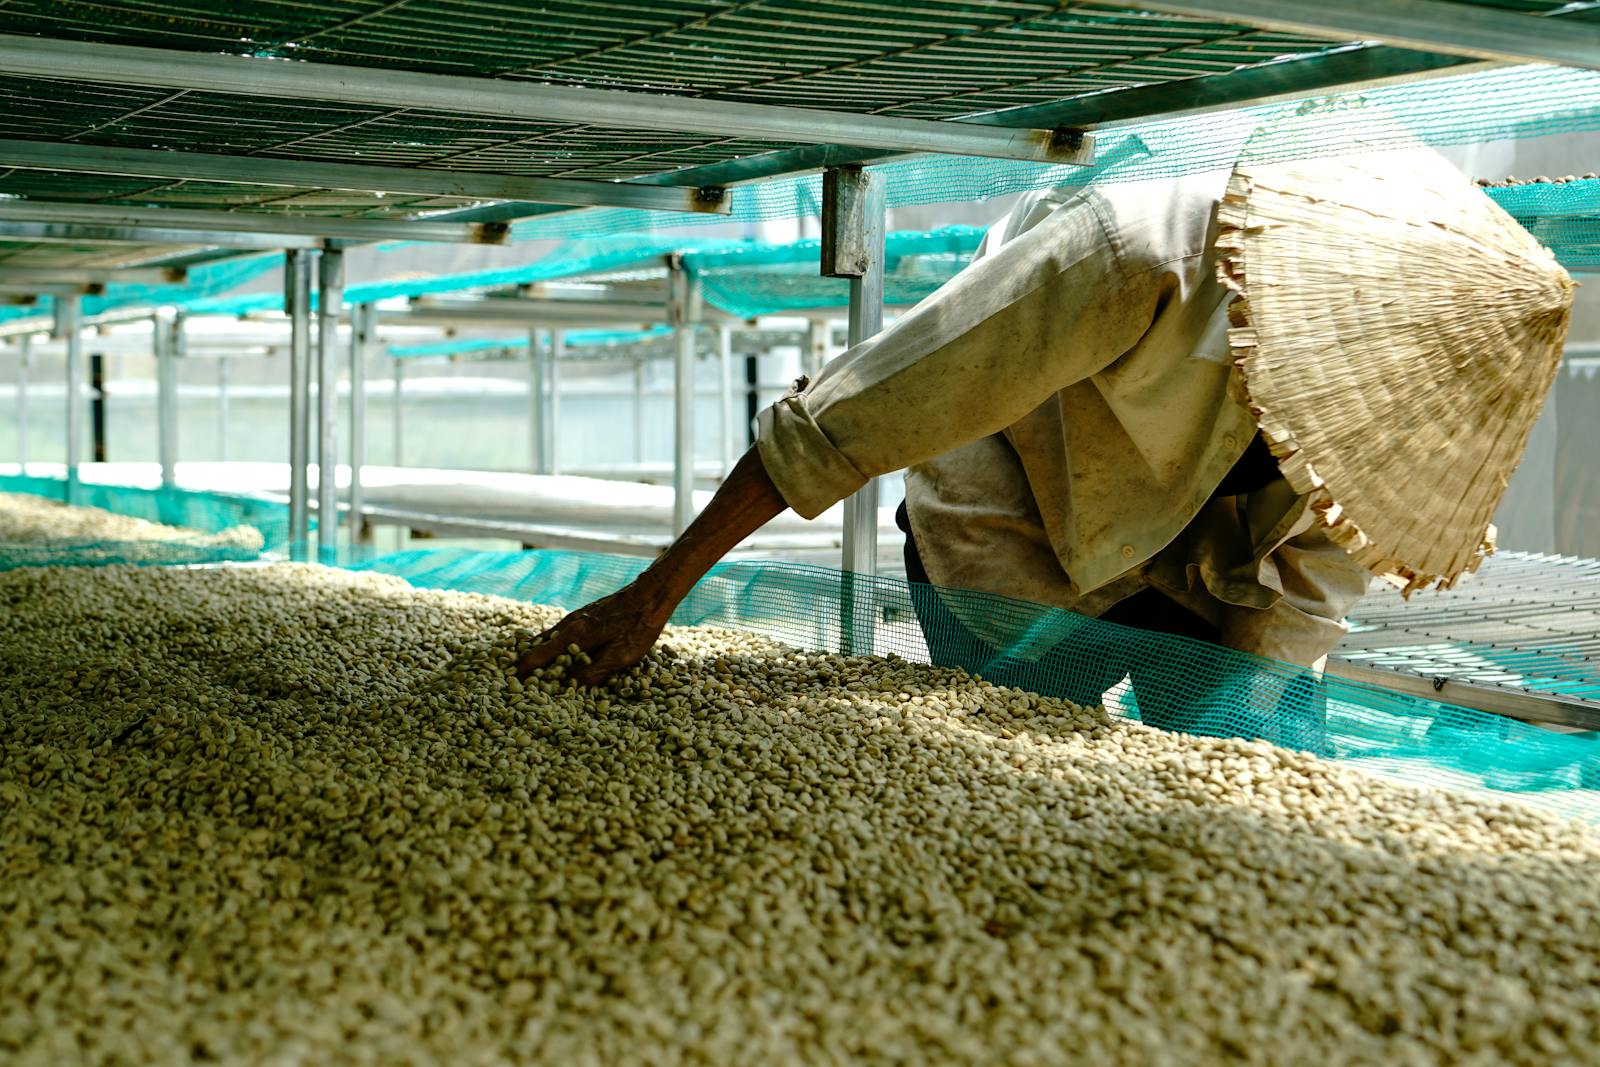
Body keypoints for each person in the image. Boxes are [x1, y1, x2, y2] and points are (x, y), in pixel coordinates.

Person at [517, 110, 1574, 749]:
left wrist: (1254, 734)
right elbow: (860, 412)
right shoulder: (1137, 250)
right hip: (1016, 512)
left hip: (1208, 570)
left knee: (1253, 752)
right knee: (1004, 754)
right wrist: (657, 594)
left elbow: (1306, 584)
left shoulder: (1417, 407)